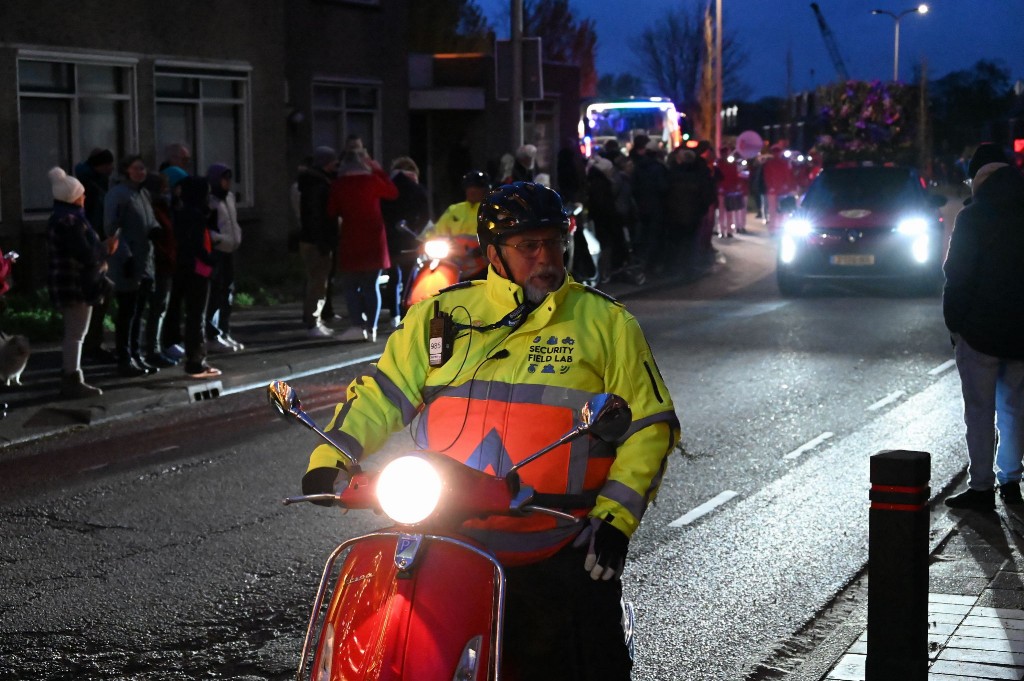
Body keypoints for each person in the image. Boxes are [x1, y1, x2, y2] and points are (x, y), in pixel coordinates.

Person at [300, 181, 679, 680]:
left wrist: (614, 520)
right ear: (494, 252)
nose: (546, 257)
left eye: (554, 241)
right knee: (390, 653)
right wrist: (328, 461)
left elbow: (649, 426)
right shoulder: (440, 316)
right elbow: (380, 395)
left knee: (591, 662)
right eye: (528, 246)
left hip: (559, 539)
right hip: (447, 532)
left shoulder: (606, 323)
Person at [943, 143, 1024, 511]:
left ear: (977, 177)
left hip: (978, 331)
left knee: (979, 410)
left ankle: (981, 487)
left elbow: (957, 275)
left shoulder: (973, 217)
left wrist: (954, 323)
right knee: (1015, 408)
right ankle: (1011, 480)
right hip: (1021, 331)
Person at [46, 167, 118, 398]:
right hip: (76, 283)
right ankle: (72, 377)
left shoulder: (62, 218)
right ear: (73, 196)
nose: (84, 197)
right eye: (81, 194)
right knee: (76, 333)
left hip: (69, 281)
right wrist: (105, 248)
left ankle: (71, 374)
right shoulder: (71, 221)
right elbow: (86, 254)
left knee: (74, 332)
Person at [327, 140, 398, 342]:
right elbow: (393, 192)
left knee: (351, 285)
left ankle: (357, 325)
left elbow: (331, 211)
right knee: (371, 285)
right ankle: (373, 327)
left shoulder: (339, 185)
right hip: (375, 239)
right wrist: (378, 170)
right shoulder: (372, 181)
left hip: (351, 238)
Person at [104, 154, 161, 377]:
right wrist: (124, 255)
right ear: (126, 170)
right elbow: (112, 228)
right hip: (127, 262)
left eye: (143, 169)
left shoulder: (143, 193)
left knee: (139, 312)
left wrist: (155, 229)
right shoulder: (118, 195)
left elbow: (150, 219)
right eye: (136, 169)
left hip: (145, 260)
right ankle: (125, 357)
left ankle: (137, 355)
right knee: (127, 312)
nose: (141, 172)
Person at [172, 176, 221, 379]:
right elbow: (196, 244)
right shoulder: (196, 215)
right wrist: (209, 260)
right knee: (197, 315)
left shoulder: (179, 211)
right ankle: (196, 361)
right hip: (197, 269)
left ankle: (193, 357)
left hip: (182, 266)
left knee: (189, 313)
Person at [74, 148, 117, 364]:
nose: (111, 168)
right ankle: (91, 344)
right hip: (93, 248)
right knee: (97, 294)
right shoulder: (91, 186)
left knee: (102, 291)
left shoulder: (97, 183)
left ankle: (92, 342)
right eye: (108, 164)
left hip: (98, 245)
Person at [380, 156, 429, 325]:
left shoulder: (388, 186)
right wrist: (415, 230)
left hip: (391, 238)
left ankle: (394, 313)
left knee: (394, 277)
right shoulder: (417, 188)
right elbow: (425, 215)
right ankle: (406, 311)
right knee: (410, 277)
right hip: (410, 238)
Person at [297, 147, 340, 338]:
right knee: (318, 281)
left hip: (312, 239)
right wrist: (323, 240)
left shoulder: (312, 183)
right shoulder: (319, 186)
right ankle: (313, 321)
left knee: (317, 280)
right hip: (317, 241)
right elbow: (317, 217)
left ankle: (315, 319)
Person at [141, 170, 180, 368]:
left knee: (160, 307)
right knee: (157, 307)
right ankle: (152, 349)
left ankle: (156, 346)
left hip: (165, 264)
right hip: (159, 265)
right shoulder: (154, 209)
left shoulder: (163, 208)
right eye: (164, 189)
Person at [205, 163, 244, 352]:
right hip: (218, 250)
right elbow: (207, 227)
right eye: (224, 178)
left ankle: (224, 330)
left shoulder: (229, 197)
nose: (227, 182)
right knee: (216, 292)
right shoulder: (210, 201)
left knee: (227, 292)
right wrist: (219, 240)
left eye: (229, 178)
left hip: (230, 250)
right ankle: (212, 334)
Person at [425, 170, 490, 238]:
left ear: (486, 190)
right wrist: (427, 240)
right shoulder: (453, 209)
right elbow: (436, 231)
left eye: (477, 187)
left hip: (481, 248)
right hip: (452, 248)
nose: (472, 190)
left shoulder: (492, 210)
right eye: (469, 186)